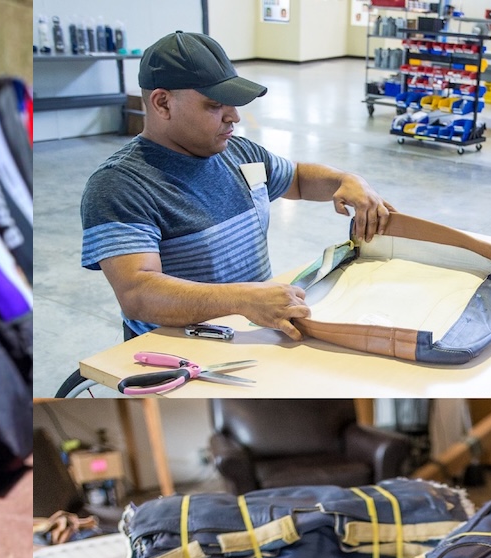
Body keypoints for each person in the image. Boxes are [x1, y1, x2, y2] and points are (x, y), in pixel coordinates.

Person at [80, 31, 396, 341]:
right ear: (162, 103)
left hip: (252, 332)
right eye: (215, 104)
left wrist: (346, 181)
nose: (234, 117)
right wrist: (240, 300)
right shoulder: (120, 185)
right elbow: (138, 293)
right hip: (181, 353)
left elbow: (297, 179)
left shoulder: (240, 153)